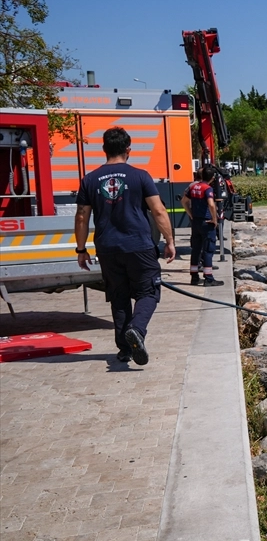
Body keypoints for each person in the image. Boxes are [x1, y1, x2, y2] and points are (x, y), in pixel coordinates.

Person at [74, 127, 176, 365]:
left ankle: (125, 349)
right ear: (128, 149)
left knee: (118, 296)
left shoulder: (89, 179)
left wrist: (81, 249)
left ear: (103, 149)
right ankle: (137, 331)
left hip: (107, 247)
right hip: (138, 245)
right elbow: (158, 210)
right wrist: (170, 241)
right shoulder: (140, 176)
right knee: (148, 291)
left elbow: (81, 216)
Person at [183, 166, 223, 286]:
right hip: (206, 222)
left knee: (195, 249)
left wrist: (191, 214)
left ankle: (194, 277)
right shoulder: (208, 189)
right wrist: (214, 219)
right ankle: (208, 278)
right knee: (208, 250)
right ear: (212, 178)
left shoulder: (193, 187)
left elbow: (184, 201)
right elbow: (211, 204)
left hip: (195, 222)